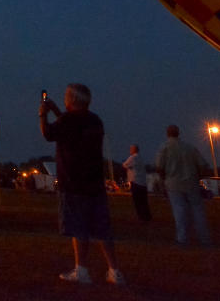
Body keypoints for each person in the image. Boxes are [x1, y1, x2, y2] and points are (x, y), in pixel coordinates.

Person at [40, 84, 124, 286]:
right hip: (94, 183)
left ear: (72, 100)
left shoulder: (68, 121)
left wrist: (43, 114)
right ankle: (114, 270)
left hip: (73, 182)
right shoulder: (95, 121)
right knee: (103, 229)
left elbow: (49, 134)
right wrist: (57, 112)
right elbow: (72, 128)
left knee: (79, 228)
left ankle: (82, 269)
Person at [154, 124, 212, 246]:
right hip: (191, 182)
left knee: (179, 210)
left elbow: (159, 167)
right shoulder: (189, 147)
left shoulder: (164, 148)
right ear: (178, 133)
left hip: (173, 183)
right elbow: (203, 164)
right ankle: (204, 238)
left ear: (167, 133)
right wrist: (198, 176)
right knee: (198, 210)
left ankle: (182, 238)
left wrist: (163, 180)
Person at [122, 144, 151, 222]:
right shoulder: (140, 158)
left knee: (138, 201)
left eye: (130, 149)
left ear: (134, 150)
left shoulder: (133, 157)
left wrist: (128, 167)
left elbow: (124, 165)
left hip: (135, 182)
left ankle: (141, 217)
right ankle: (147, 216)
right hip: (143, 182)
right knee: (144, 201)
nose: (129, 150)